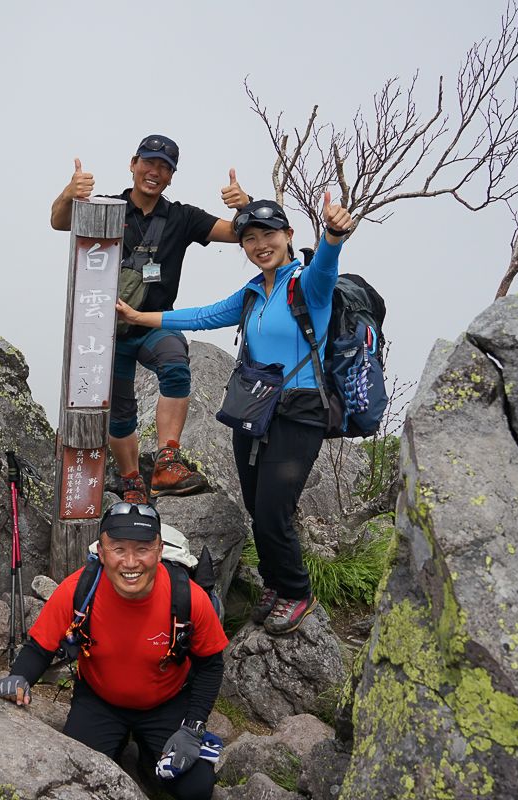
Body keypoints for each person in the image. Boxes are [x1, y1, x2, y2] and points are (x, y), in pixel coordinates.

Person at [115, 194, 354, 635]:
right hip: (256, 410)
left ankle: (297, 591)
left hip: (299, 412)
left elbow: (326, 265)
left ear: (288, 236)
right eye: (249, 239)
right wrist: (139, 316)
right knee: (253, 505)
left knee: (272, 511)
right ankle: (275, 582)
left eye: (269, 234)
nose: (260, 244)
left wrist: (335, 235)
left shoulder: (309, 285)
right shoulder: (250, 294)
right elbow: (202, 316)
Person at [51, 136, 252, 504]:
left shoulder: (182, 218)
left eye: (165, 167)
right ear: (133, 163)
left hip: (152, 325)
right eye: (149, 162)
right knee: (121, 410)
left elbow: (239, 233)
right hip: (106, 333)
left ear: (172, 177)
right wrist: (69, 192)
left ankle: (167, 460)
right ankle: (131, 481)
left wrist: (245, 206)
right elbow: (60, 222)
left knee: (176, 361)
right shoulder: (107, 208)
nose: (155, 172)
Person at [0, 502, 228, 800]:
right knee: (77, 780)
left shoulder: (188, 598)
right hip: (99, 702)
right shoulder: (79, 590)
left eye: (142, 549)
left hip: (167, 704)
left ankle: (146, 758)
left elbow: (210, 665)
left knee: (196, 789)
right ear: (102, 553)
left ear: (158, 551)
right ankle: (121, 747)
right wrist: (19, 677)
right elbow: (40, 647)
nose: (130, 563)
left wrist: (192, 728)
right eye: (118, 549)